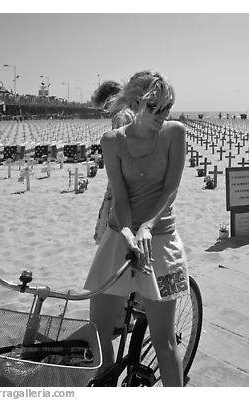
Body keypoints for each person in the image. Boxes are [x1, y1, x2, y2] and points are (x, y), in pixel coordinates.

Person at [84, 70, 188, 386]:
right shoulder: (113, 141)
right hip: (121, 235)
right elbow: (120, 193)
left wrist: (146, 228)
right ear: (135, 103)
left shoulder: (175, 133)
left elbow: (171, 188)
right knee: (99, 328)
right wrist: (129, 230)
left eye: (166, 107)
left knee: (164, 341)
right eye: (153, 108)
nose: (161, 115)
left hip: (161, 238)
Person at [92, 80, 135, 244]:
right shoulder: (131, 112)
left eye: (105, 106)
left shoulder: (120, 117)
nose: (106, 111)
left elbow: (122, 150)